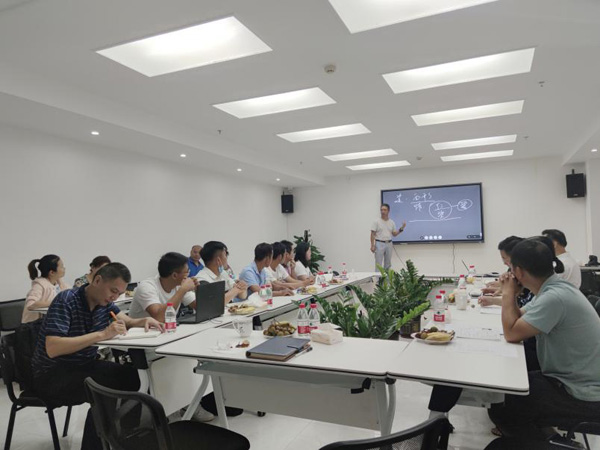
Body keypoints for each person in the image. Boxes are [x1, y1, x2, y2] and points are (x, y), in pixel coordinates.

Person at [31, 263, 164, 450]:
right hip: (51, 374)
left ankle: (127, 434)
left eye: (119, 293)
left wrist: (143, 320)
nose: (115, 297)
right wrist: (102, 334)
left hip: (83, 366)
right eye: (113, 291)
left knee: (135, 378)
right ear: (98, 280)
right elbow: (53, 348)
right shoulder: (67, 300)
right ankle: (98, 443)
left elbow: (127, 321)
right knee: (105, 390)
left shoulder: (105, 303)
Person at [487, 238, 600, 439]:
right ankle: (544, 436)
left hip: (583, 393)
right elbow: (519, 318)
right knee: (510, 387)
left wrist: (507, 293)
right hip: (573, 380)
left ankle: (550, 442)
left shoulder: (554, 297)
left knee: (503, 407)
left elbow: (512, 333)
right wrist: (512, 295)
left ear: (518, 271)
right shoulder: (553, 288)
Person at [129, 252, 198, 322]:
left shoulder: (178, 285)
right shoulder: (147, 287)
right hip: (142, 328)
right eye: (187, 272)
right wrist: (183, 289)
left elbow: (200, 308)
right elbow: (159, 318)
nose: (188, 275)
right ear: (174, 275)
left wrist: (197, 290)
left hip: (166, 327)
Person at [22, 255, 70, 323]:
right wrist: (55, 302)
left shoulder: (57, 282)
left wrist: (60, 281)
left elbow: (68, 296)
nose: (64, 268)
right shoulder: (39, 285)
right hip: (34, 325)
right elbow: (30, 304)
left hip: (51, 321)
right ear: (52, 272)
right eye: (61, 266)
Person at [370, 203, 406, 271]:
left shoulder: (391, 222)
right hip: (379, 243)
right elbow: (372, 234)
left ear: (388, 211)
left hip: (389, 243)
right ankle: (378, 278)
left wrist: (402, 228)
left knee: (388, 264)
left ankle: (387, 278)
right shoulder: (376, 221)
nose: (382, 211)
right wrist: (372, 245)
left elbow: (394, 234)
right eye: (381, 210)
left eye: (384, 210)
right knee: (378, 264)